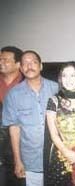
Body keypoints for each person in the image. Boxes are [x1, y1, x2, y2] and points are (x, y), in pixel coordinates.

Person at [2, 50, 58, 186]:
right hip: (31, 160)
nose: (29, 66)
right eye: (25, 63)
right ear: (20, 68)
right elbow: (14, 128)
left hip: (57, 157)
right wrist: (18, 161)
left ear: (41, 66)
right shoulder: (13, 95)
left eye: (33, 62)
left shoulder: (56, 88)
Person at [0, 46, 24, 186]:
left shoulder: (27, 84)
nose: (1, 62)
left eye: (5, 60)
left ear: (18, 64)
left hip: (20, 145)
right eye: (0, 59)